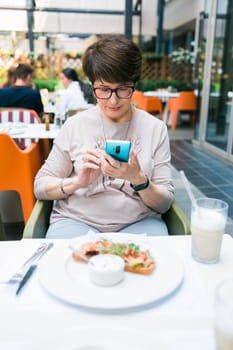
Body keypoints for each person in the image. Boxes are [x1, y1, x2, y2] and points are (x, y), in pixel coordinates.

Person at [34, 34, 174, 239]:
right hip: (76, 220)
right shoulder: (75, 125)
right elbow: (40, 186)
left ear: (134, 84)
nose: (113, 100)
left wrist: (138, 179)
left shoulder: (155, 128)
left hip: (139, 222)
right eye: (104, 89)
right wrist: (78, 182)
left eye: (123, 88)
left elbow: (165, 202)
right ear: (92, 86)